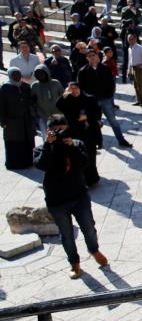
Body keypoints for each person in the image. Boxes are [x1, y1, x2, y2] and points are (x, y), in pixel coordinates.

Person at [35, 114, 109, 279]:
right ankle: (74, 263)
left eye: (62, 128)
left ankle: (94, 250)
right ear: (49, 131)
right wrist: (49, 144)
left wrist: (72, 147)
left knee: (89, 227)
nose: (59, 132)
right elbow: (41, 165)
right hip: (57, 200)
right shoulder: (41, 148)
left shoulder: (77, 144)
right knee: (67, 234)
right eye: (55, 130)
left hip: (78, 196)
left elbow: (84, 164)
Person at [78, 49, 132, 148]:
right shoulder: (83, 71)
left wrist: (109, 95)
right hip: (92, 102)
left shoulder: (104, 68)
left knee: (113, 120)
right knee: (94, 122)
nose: (92, 57)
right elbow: (81, 88)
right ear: (87, 58)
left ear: (97, 56)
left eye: (93, 55)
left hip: (105, 99)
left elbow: (111, 83)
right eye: (89, 56)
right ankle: (97, 142)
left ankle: (121, 140)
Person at [56, 82, 102, 184]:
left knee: (90, 156)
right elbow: (58, 106)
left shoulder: (90, 99)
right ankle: (81, 180)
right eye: (71, 89)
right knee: (77, 156)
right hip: (75, 133)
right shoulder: (68, 100)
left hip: (89, 132)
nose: (74, 91)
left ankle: (92, 178)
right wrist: (64, 95)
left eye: (76, 88)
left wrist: (87, 117)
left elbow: (98, 113)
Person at [0, 70, 35, 170]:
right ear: (10, 76)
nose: (17, 77)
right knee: (14, 143)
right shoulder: (5, 88)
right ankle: (13, 164)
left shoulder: (25, 86)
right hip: (12, 122)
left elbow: (31, 100)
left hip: (26, 121)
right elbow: (1, 106)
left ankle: (28, 162)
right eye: (14, 75)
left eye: (19, 74)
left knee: (27, 142)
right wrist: (2, 120)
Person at [31, 65, 62, 138]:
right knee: (47, 138)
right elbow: (32, 101)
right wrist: (36, 114)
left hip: (57, 116)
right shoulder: (35, 86)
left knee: (59, 137)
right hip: (43, 116)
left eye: (42, 73)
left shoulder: (56, 83)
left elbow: (63, 96)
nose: (40, 75)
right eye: (37, 74)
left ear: (47, 73)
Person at [126, 33, 142, 107]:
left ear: (135, 39)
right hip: (133, 67)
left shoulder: (139, 47)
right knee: (135, 85)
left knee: (139, 85)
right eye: (129, 40)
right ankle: (139, 100)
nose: (130, 41)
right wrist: (128, 70)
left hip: (139, 68)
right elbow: (130, 59)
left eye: (132, 39)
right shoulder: (129, 48)